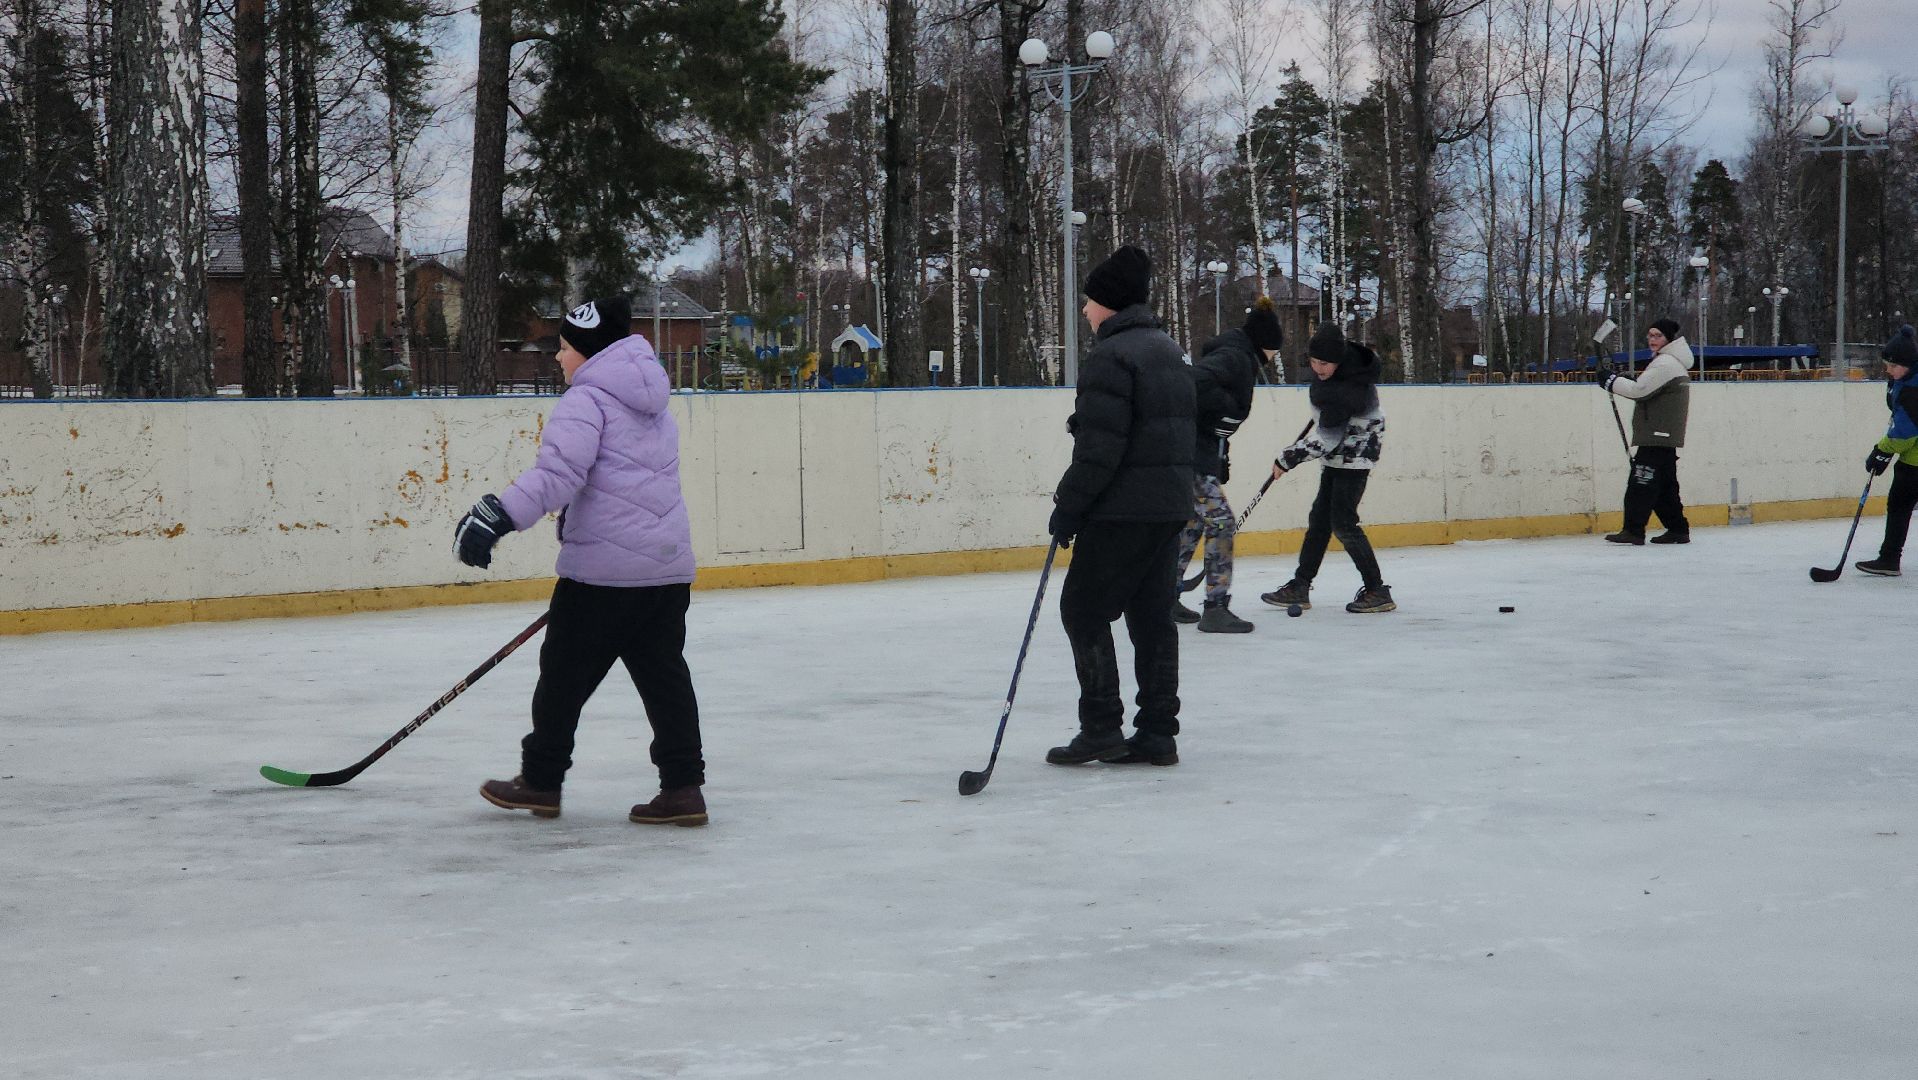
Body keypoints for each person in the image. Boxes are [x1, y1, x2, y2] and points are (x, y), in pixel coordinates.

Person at [458, 295, 708, 826]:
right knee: (665, 680)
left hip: (601, 577)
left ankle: (541, 781)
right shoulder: (654, 404)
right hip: (665, 571)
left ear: (591, 351)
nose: (558, 356)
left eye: (565, 346)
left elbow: (558, 475)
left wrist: (499, 514)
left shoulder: (586, 401)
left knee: (562, 680)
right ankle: (684, 789)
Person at [1045, 246, 1197, 768]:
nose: (1085, 310)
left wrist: (1070, 507)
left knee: (1082, 609)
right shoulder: (1170, 350)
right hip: (1168, 506)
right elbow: (1157, 427)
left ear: (1107, 302)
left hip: (1122, 510)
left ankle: (1101, 727)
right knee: (1152, 618)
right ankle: (1157, 732)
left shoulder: (1111, 356)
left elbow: (1100, 451)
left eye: (1089, 301)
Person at [1259, 322, 1394, 614]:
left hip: (1355, 457)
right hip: (1337, 458)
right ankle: (1300, 585)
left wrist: (1287, 458)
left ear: (1338, 361)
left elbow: (1327, 439)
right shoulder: (1335, 380)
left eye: (1325, 363)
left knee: (1343, 522)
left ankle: (1377, 589)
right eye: (1314, 361)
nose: (1319, 369)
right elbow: (1328, 429)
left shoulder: (1349, 388)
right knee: (1319, 520)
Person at [1172, 296, 1281, 633]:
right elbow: (1192, 382)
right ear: (1266, 345)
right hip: (1188, 454)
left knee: (1194, 521)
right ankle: (1215, 607)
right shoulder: (1236, 357)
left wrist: (1219, 457)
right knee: (1221, 521)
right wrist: (1227, 407)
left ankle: (1163, 595)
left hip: (1193, 453)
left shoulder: (1237, 354)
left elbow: (1211, 422)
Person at [1599, 317, 1693, 545]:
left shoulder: (1666, 363)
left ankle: (1633, 530)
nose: (1652, 339)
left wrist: (1611, 382)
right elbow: (1646, 387)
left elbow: (1639, 391)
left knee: (1640, 484)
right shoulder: (1670, 362)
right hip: (1663, 435)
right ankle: (1678, 529)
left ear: (1668, 339)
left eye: (1658, 335)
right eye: (1650, 335)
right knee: (1665, 487)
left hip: (1656, 435)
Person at [1857, 325, 1918, 576]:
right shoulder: (1905, 381)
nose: (1889, 370)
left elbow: (1905, 433)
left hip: (1914, 464)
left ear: (1908, 365)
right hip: (1912, 459)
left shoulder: (1912, 390)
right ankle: (1889, 558)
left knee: (1899, 506)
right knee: (1900, 505)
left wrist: (1881, 451)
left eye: (1894, 366)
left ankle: (1889, 559)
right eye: (1887, 365)